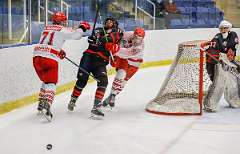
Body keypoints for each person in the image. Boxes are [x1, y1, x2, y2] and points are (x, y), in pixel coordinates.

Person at [33, 12, 90, 120]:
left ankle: (41, 103)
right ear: (61, 21)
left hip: (36, 57)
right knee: (51, 83)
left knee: (46, 80)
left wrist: (58, 50)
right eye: (64, 20)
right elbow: (76, 36)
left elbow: (48, 43)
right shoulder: (61, 29)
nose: (65, 22)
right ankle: (46, 105)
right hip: (49, 59)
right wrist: (82, 27)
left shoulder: (46, 28)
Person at [67, 17, 124, 118]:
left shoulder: (118, 31)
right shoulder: (98, 29)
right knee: (82, 80)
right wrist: (92, 39)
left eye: (111, 22)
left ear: (115, 24)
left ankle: (96, 107)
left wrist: (100, 40)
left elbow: (112, 39)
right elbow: (92, 41)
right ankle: (73, 100)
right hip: (88, 57)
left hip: (101, 61)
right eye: (107, 21)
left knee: (103, 81)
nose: (108, 23)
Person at [102, 27, 145, 108]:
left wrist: (116, 49)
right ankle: (113, 95)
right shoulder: (127, 35)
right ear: (133, 35)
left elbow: (127, 53)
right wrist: (113, 53)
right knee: (120, 74)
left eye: (139, 39)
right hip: (124, 59)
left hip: (134, 64)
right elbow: (119, 42)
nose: (137, 40)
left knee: (123, 82)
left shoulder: (139, 47)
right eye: (136, 37)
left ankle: (112, 95)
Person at [204, 20, 239, 112]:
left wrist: (229, 55)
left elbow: (232, 48)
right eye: (221, 28)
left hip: (229, 61)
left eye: (225, 28)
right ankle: (210, 104)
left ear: (229, 28)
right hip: (219, 62)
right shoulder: (217, 37)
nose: (223, 29)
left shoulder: (233, 35)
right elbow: (213, 49)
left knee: (233, 83)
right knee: (219, 83)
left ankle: (233, 100)